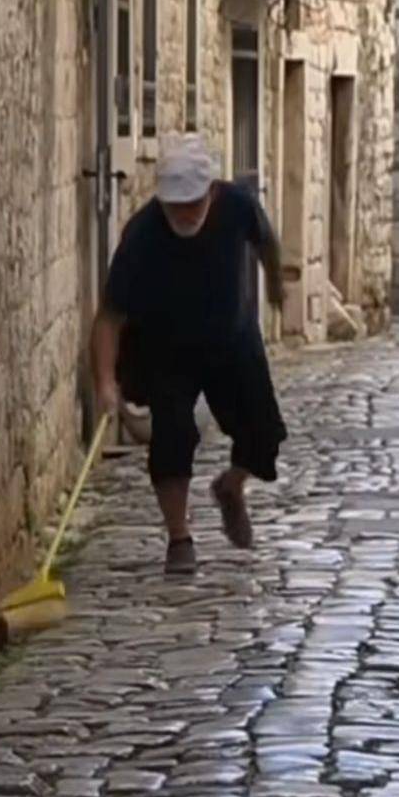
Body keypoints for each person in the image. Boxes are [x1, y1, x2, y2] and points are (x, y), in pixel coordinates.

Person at [90, 133, 287, 575]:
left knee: (264, 433)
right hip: (167, 348)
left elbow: (266, 241)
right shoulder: (142, 235)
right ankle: (179, 539)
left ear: (211, 191)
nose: (182, 214)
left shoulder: (237, 206)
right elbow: (109, 318)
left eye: (191, 204)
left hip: (232, 339)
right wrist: (105, 381)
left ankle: (231, 487)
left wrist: (275, 282)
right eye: (173, 205)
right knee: (172, 438)